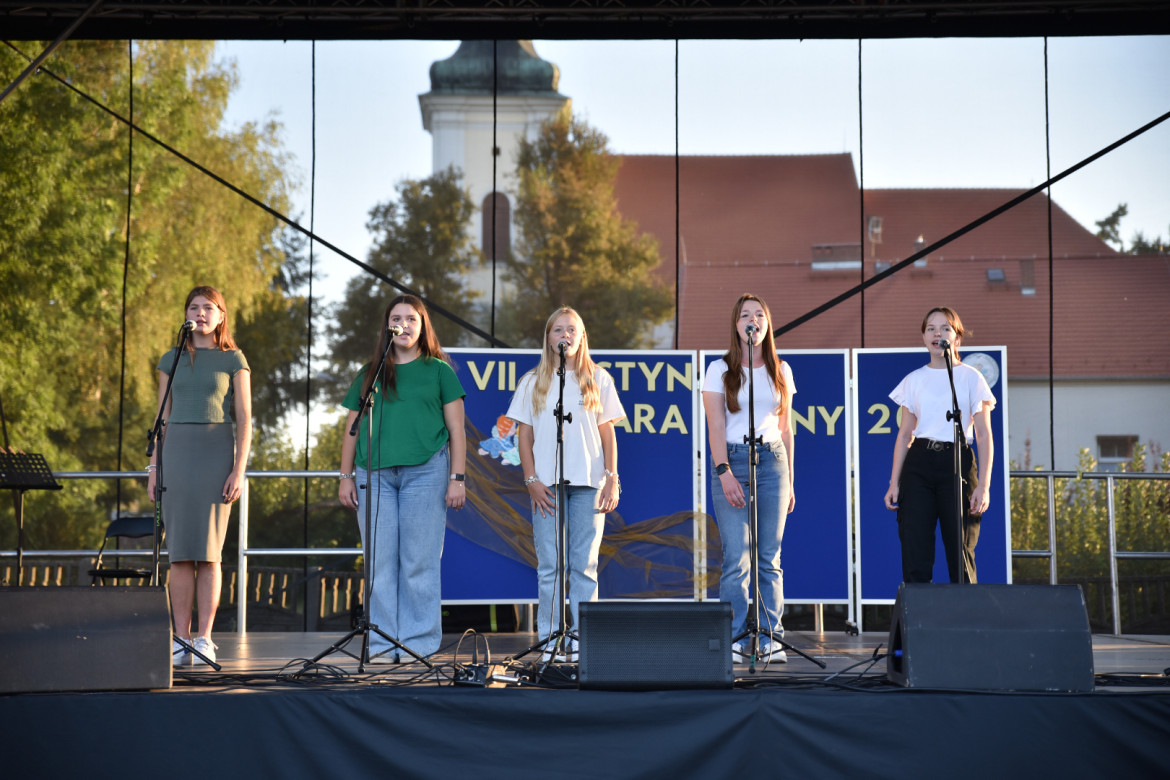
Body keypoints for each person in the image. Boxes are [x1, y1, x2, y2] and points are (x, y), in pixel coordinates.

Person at [338, 294, 467, 662]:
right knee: (379, 563)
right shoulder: (370, 372)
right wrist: (345, 476)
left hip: (426, 472)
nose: (404, 325)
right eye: (397, 318)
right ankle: (382, 644)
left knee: (419, 562)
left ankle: (417, 644)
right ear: (387, 326)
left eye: (412, 319)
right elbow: (352, 428)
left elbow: (457, 431)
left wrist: (457, 478)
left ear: (423, 326)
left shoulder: (439, 371)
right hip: (373, 475)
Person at [505, 307, 625, 662]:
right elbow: (524, 435)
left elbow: (607, 433)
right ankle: (551, 641)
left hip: (589, 482)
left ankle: (585, 641)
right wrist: (531, 480)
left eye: (572, 330)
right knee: (550, 566)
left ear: (582, 337)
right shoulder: (533, 381)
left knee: (585, 565)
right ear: (548, 338)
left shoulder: (598, 378)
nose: (565, 336)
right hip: (546, 486)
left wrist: (612, 478)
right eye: (558, 330)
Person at [148, 286, 251, 667]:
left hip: (216, 453)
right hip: (176, 454)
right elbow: (161, 417)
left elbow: (245, 419)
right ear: (186, 314)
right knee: (178, 554)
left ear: (222, 316)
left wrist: (238, 470)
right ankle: (181, 640)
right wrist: (154, 467)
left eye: (209, 307)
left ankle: (204, 639)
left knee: (208, 554)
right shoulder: (170, 359)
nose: (201, 313)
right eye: (194, 307)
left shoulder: (233, 359)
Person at [702, 293, 796, 664]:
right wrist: (724, 471)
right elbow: (715, 425)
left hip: (773, 462)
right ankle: (736, 637)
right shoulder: (719, 370)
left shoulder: (781, 370)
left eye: (759, 314)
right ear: (736, 324)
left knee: (769, 557)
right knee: (736, 558)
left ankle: (772, 637)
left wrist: (791, 480)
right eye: (745, 315)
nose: (752, 320)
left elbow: (786, 430)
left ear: (767, 324)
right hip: (733, 460)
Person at [884, 306, 995, 584]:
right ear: (923, 337)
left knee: (961, 550)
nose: (937, 334)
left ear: (957, 337)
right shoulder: (914, 379)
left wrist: (983, 485)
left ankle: (965, 612)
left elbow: (983, 435)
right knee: (915, 549)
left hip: (957, 463)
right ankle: (919, 612)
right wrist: (894, 483)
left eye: (945, 328)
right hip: (919, 463)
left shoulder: (971, 377)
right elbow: (905, 435)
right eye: (931, 329)